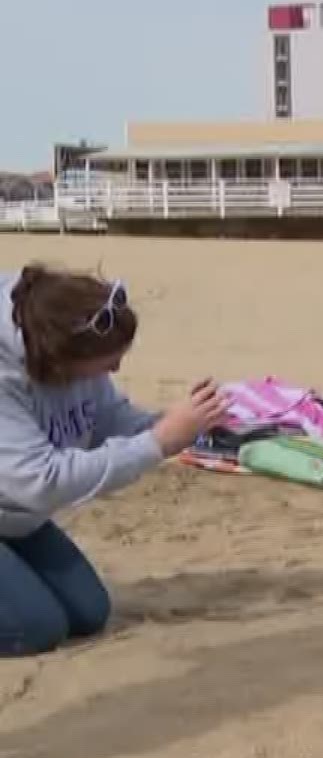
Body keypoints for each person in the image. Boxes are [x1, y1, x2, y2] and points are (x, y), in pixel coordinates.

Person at [0, 266, 229, 656]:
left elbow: (111, 421)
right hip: (22, 498)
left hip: (14, 515)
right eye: (109, 361)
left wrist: (189, 426)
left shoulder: (71, 359)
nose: (115, 370)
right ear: (62, 357)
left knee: (88, 613)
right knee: (37, 629)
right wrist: (159, 441)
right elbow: (42, 482)